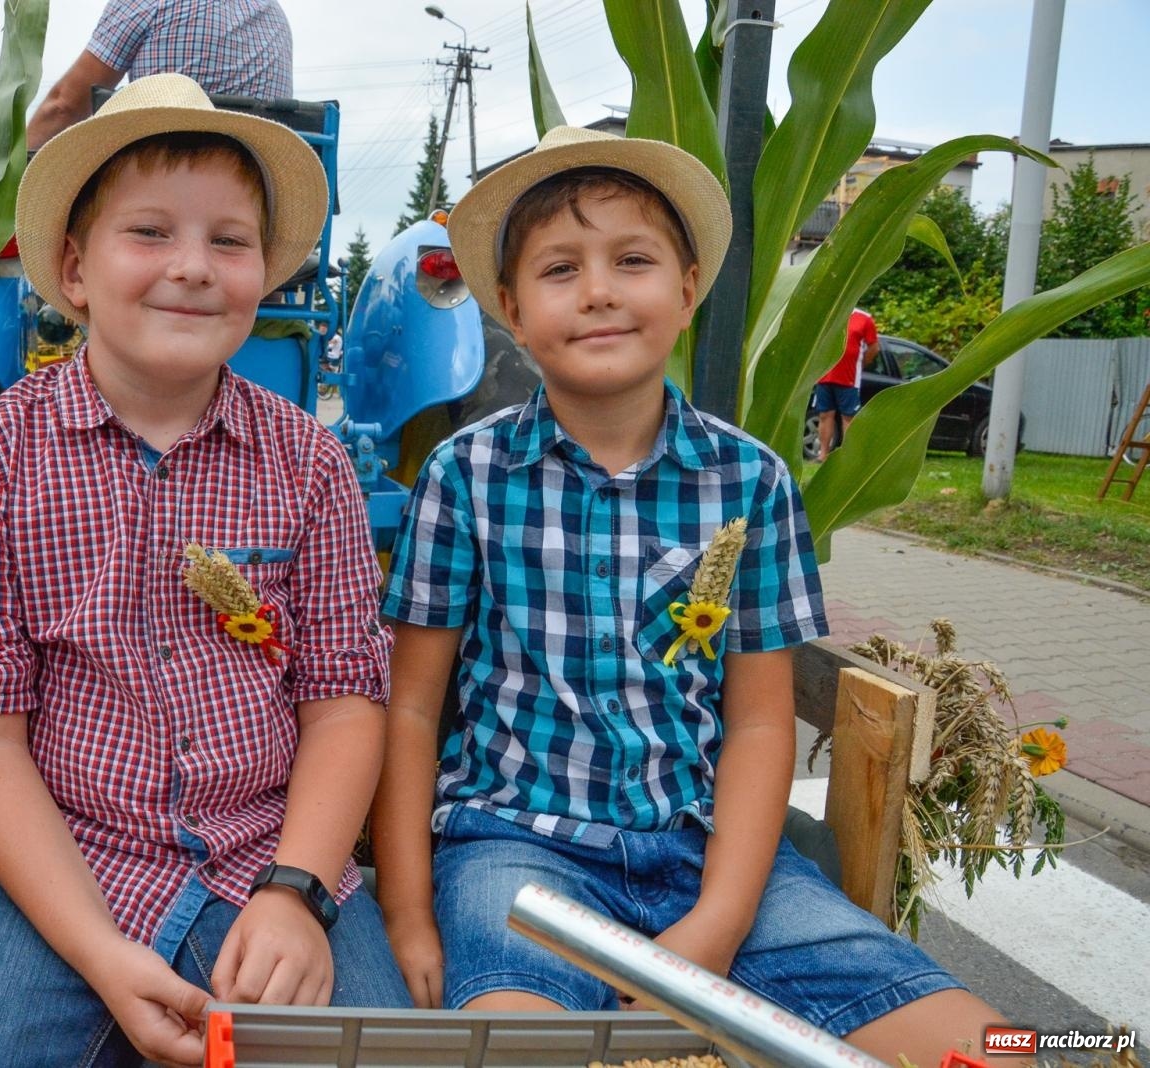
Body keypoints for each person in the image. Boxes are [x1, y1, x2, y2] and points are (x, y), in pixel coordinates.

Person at [369, 127, 1000, 1068]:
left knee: (997, 1047)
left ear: (688, 288)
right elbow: (412, 707)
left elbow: (759, 723)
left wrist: (719, 921)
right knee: (518, 1045)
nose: (599, 290)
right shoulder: (465, 476)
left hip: (711, 854)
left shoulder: (751, 481)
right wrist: (408, 909)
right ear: (511, 310)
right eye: (559, 269)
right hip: (516, 854)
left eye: (633, 261)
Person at [0, 74, 410, 1068]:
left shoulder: (309, 464)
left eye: (229, 240)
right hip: (60, 870)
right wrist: (98, 952)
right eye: (150, 233)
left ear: (264, 274)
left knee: (382, 1058)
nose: (193, 267)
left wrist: (298, 892)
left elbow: (343, 700)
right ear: (74, 269)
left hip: (269, 856)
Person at [26, 0, 293, 150]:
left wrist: (7, 179)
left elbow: (64, 106)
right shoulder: (274, 14)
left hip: (160, 178)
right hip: (261, 193)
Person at [814, 307, 879, 461]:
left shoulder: (864, 318)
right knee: (825, 414)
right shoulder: (829, 313)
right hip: (824, 376)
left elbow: (874, 347)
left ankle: (847, 456)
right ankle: (823, 454)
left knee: (849, 416)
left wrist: (860, 364)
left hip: (849, 378)